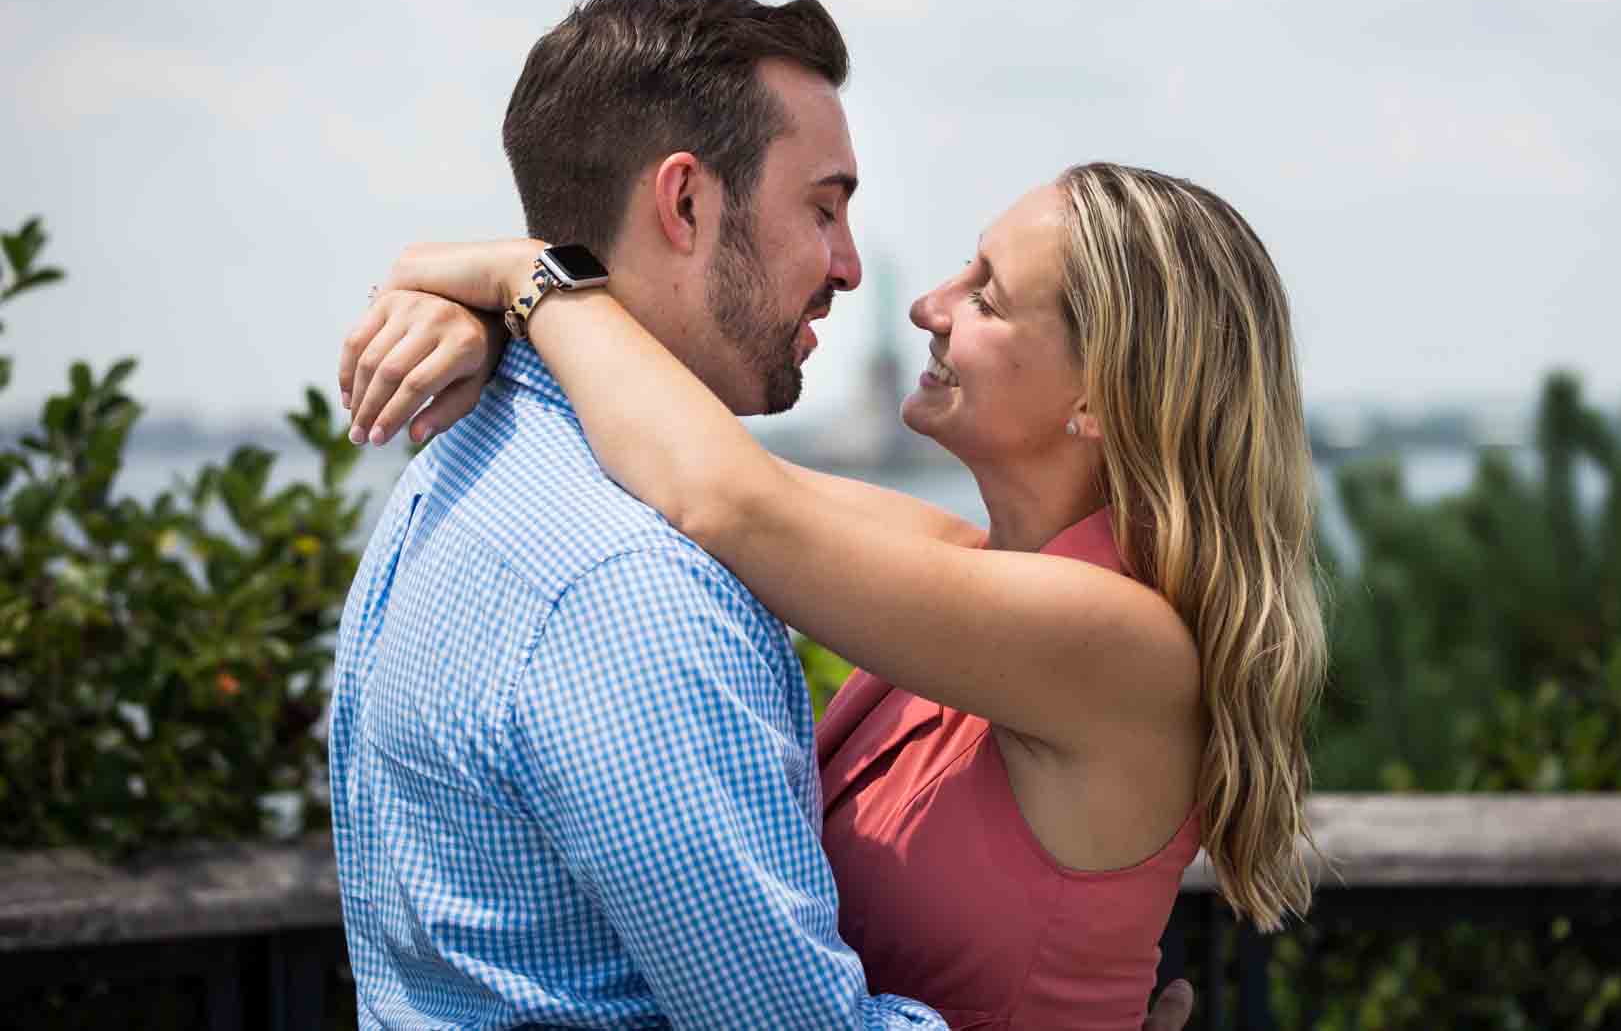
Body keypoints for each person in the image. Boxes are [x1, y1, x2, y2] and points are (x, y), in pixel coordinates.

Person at [343, 149, 1324, 1025]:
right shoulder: (972, 572)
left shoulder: (1115, 643)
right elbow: (661, 453)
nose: (926, 306)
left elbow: (716, 494)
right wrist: (489, 333)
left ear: (1095, 396)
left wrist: (530, 278)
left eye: (984, 297)